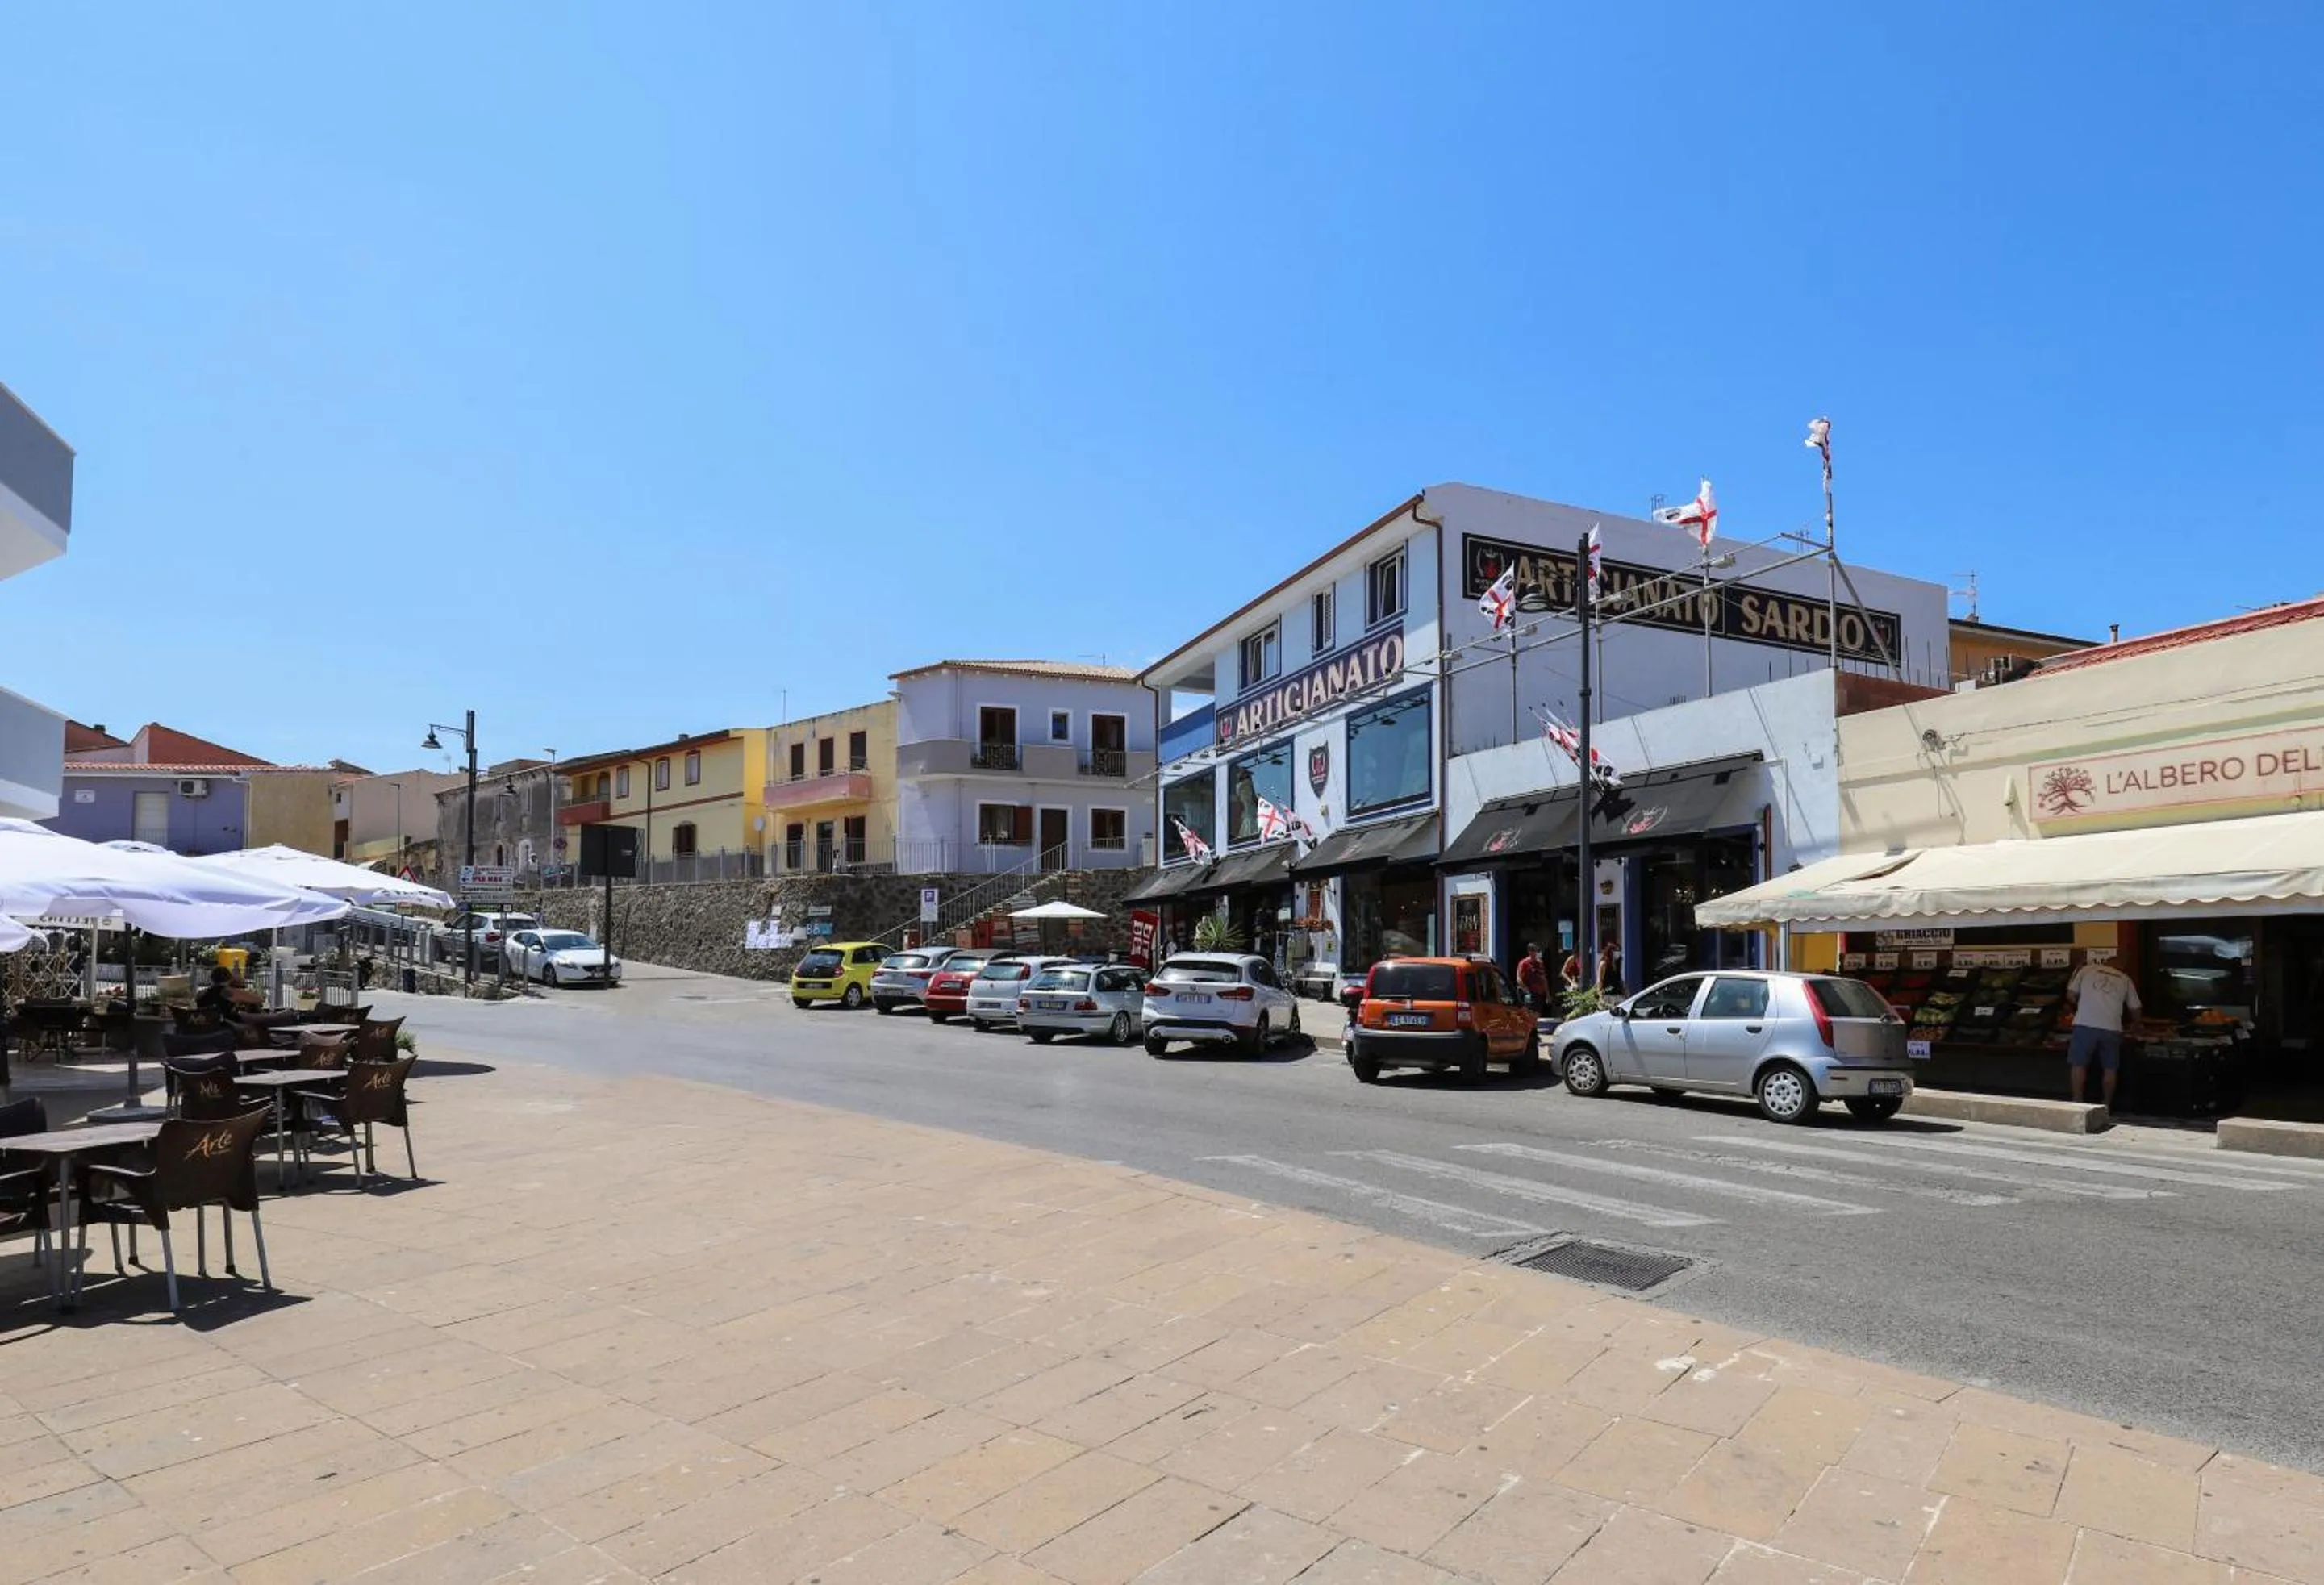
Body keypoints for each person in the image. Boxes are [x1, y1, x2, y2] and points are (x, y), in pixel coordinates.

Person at [2064, 955, 2141, 1108]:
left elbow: (2071, 996)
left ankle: (2077, 1102)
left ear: (2106, 962)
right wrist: (2136, 1024)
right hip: (2112, 1028)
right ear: (2121, 967)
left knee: (2079, 1065)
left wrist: (2083, 1003)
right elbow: (2135, 1008)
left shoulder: (2087, 970)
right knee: (2110, 1068)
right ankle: (2106, 1104)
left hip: (2085, 1024)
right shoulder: (2125, 979)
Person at [1515, 942, 1550, 1011]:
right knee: (1528, 1012)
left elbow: (1544, 979)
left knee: (1537, 1013)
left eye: (1536, 951)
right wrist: (1527, 990)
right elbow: (1518, 979)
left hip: (1538, 993)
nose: (1535, 953)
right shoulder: (1524, 963)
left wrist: (1548, 994)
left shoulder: (1540, 963)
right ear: (1529, 952)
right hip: (1527, 993)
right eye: (1533, 951)